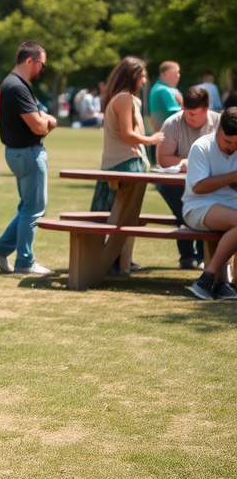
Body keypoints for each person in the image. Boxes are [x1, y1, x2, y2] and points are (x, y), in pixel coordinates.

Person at [0, 41, 58, 276]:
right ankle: (25, 261)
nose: (42, 70)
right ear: (30, 61)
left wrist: (42, 117)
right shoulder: (17, 86)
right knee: (34, 209)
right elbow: (37, 126)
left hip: (18, 152)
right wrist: (50, 122)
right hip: (28, 152)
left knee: (28, 207)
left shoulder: (12, 83)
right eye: (42, 65)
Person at [90, 57, 165, 273]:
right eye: (141, 76)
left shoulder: (124, 98)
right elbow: (128, 134)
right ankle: (113, 261)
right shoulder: (124, 98)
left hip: (122, 162)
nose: (143, 81)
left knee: (123, 214)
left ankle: (122, 261)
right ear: (132, 75)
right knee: (123, 215)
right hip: (125, 164)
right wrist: (152, 139)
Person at [157, 86, 220, 270]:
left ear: (206, 108)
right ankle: (189, 256)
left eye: (193, 114)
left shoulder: (219, 123)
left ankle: (201, 257)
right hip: (174, 184)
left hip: (208, 183)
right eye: (185, 112)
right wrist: (185, 162)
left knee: (207, 210)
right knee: (184, 213)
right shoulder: (172, 123)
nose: (188, 117)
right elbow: (163, 159)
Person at [182, 107, 237, 301]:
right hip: (198, 206)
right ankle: (208, 278)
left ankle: (223, 283)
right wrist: (231, 177)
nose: (232, 147)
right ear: (218, 130)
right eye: (228, 141)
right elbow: (198, 187)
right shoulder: (202, 146)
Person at [148, 60, 182, 132]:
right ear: (166, 73)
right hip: (169, 136)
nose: (179, 75)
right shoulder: (164, 90)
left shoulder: (157, 87)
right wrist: (183, 103)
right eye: (177, 72)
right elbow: (180, 116)